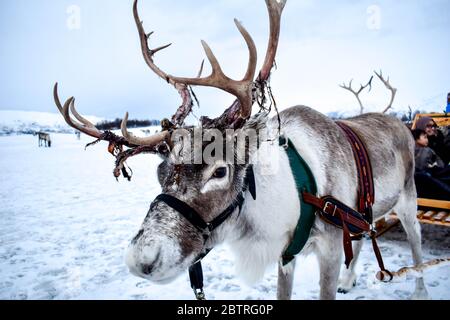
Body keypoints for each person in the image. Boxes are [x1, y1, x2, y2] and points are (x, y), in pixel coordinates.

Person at [412, 128, 450, 200]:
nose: (427, 140)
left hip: (432, 173)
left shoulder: (428, 149)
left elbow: (440, 164)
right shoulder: (423, 150)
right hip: (424, 177)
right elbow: (421, 166)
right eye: (425, 137)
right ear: (416, 139)